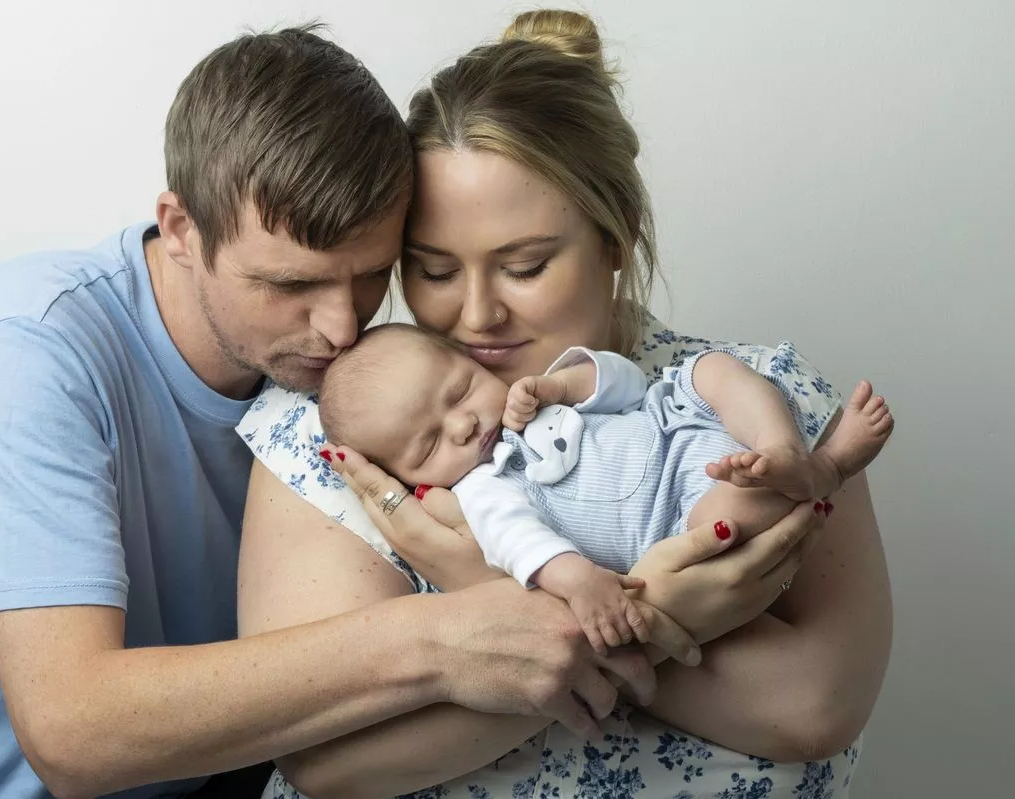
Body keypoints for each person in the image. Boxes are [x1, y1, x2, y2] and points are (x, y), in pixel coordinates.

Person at [0, 25, 709, 799]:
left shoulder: (365, 383)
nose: (339, 325)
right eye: (290, 284)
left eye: (370, 277)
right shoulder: (21, 355)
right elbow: (72, 734)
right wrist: (442, 637)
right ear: (180, 228)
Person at [237, 9, 891, 798]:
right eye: (434, 270)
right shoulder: (343, 425)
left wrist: (486, 582)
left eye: (523, 265)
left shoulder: (761, 403)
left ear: (614, 238)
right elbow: (331, 761)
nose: (475, 316)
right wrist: (648, 620)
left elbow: (813, 707)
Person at [317, 323, 893, 652]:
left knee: (711, 369)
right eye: (429, 444)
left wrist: (559, 384)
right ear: (407, 477)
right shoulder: (482, 489)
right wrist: (581, 582)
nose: (464, 423)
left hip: (676, 426)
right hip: (676, 514)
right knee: (726, 522)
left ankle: (785, 450)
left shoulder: (530, 395)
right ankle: (832, 465)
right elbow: (519, 546)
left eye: (461, 389)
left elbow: (627, 383)